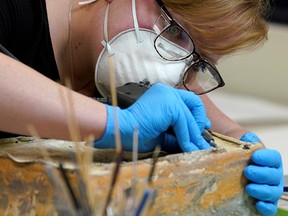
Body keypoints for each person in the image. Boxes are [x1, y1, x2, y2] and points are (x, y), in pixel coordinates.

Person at [0, 0, 283, 215]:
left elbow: (203, 109)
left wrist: (245, 150)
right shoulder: (15, 10)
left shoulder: (129, 74)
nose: (174, 70)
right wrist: (115, 123)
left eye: (197, 64)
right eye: (176, 35)